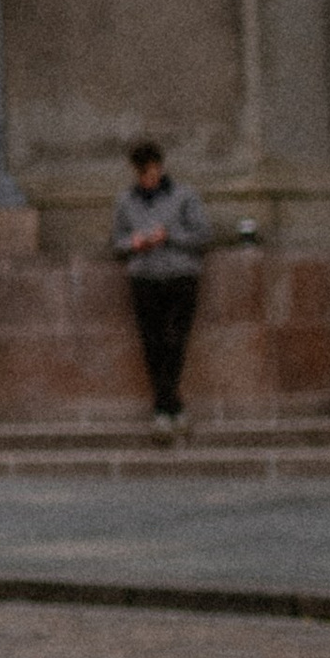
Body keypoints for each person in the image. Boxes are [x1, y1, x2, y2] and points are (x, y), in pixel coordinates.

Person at [112, 138, 212, 435]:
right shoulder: (126, 201)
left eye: (153, 171)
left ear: (160, 167)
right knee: (153, 342)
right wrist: (134, 243)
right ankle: (169, 405)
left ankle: (165, 404)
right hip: (145, 277)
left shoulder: (184, 196)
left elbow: (203, 235)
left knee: (176, 340)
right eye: (143, 173)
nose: (149, 177)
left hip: (181, 275)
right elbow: (117, 242)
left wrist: (169, 236)